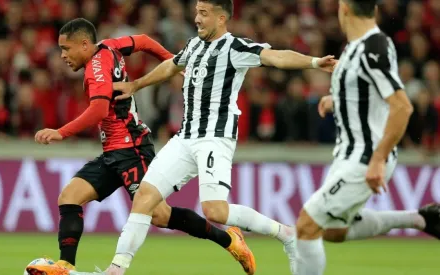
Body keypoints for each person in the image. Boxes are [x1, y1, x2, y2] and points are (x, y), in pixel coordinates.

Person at [96, 1, 336, 274]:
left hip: (215, 138)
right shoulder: (194, 45)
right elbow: (172, 65)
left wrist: (315, 62)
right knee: (144, 198)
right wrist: (136, 84)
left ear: (221, 18)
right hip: (185, 137)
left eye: (203, 13)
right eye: (197, 12)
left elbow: (276, 57)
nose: (196, 18)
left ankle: (286, 234)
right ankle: (116, 269)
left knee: (215, 212)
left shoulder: (235, 47)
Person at [26, 18, 255, 275]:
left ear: (84, 45)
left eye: (66, 49)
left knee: (159, 214)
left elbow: (99, 109)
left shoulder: (96, 68)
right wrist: (175, 62)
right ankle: (65, 266)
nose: (63, 56)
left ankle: (230, 241)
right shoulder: (109, 46)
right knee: (69, 197)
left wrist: (60, 132)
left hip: (133, 149)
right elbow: (143, 41)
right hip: (113, 151)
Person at [294, 1, 440, 274]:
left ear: (344, 9)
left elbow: (401, 105)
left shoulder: (374, 46)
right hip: (348, 154)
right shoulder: (355, 48)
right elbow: (370, 96)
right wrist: (336, 101)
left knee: (307, 224)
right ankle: (421, 219)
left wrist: (378, 159)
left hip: (365, 155)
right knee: (333, 231)